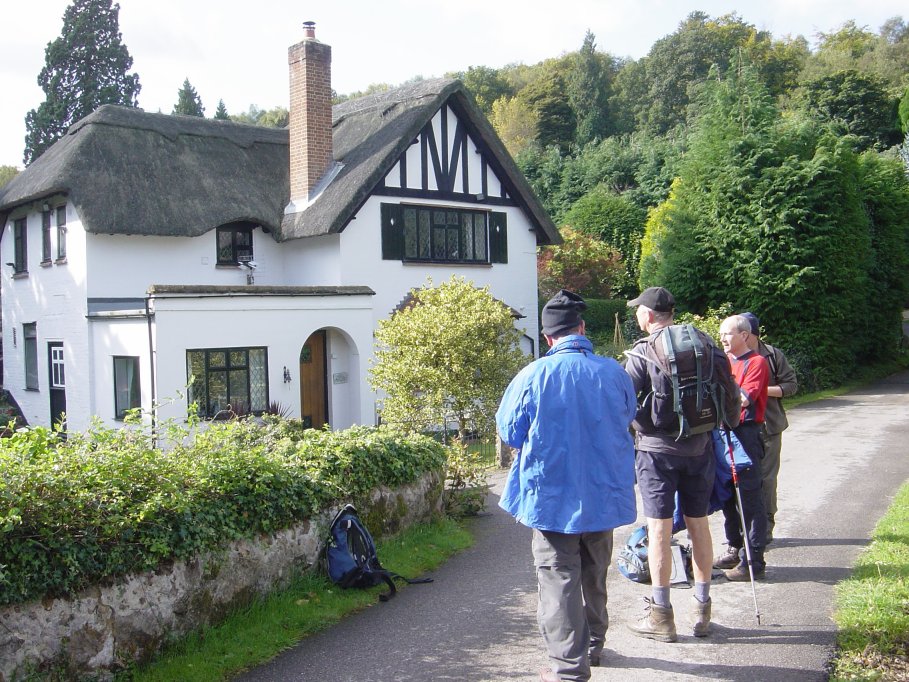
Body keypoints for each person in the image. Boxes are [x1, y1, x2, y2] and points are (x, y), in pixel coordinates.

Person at [497, 289, 637, 682]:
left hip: (551, 498)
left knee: (558, 577)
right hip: (602, 493)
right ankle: (594, 645)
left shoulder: (532, 375)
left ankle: (568, 668)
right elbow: (628, 415)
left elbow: (510, 432)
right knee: (595, 572)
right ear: (582, 328)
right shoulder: (614, 372)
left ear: (547, 338)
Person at [623, 287, 740, 642]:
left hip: (656, 453)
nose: (636, 316)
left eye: (637, 310)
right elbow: (730, 391)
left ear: (648, 315)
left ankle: (661, 616)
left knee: (658, 529)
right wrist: (730, 425)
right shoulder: (705, 344)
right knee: (698, 524)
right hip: (700, 447)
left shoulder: (643, 352)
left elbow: (624, 402)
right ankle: (702, 611)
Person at [714, 314, 770, 580]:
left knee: (749, 496)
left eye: (727, 334)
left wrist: (722, 395)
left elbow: (744, 399)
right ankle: (734, 546)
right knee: (726, 494)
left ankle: (754, 559)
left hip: (745, 434)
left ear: (744, 335)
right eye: (721, 334)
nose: (722, 339)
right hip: (722, 432)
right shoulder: (722, 362)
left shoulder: (757, 362)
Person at [740, 312, 798, 544]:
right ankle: (745, 531)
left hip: (769, 428)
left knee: (766, 480)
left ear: (750, 334)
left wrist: (759, 390)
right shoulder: (731, 356)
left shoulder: (773, 355)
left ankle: (765, 528)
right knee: (741, 479)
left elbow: (791, 386)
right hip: (740, 428)